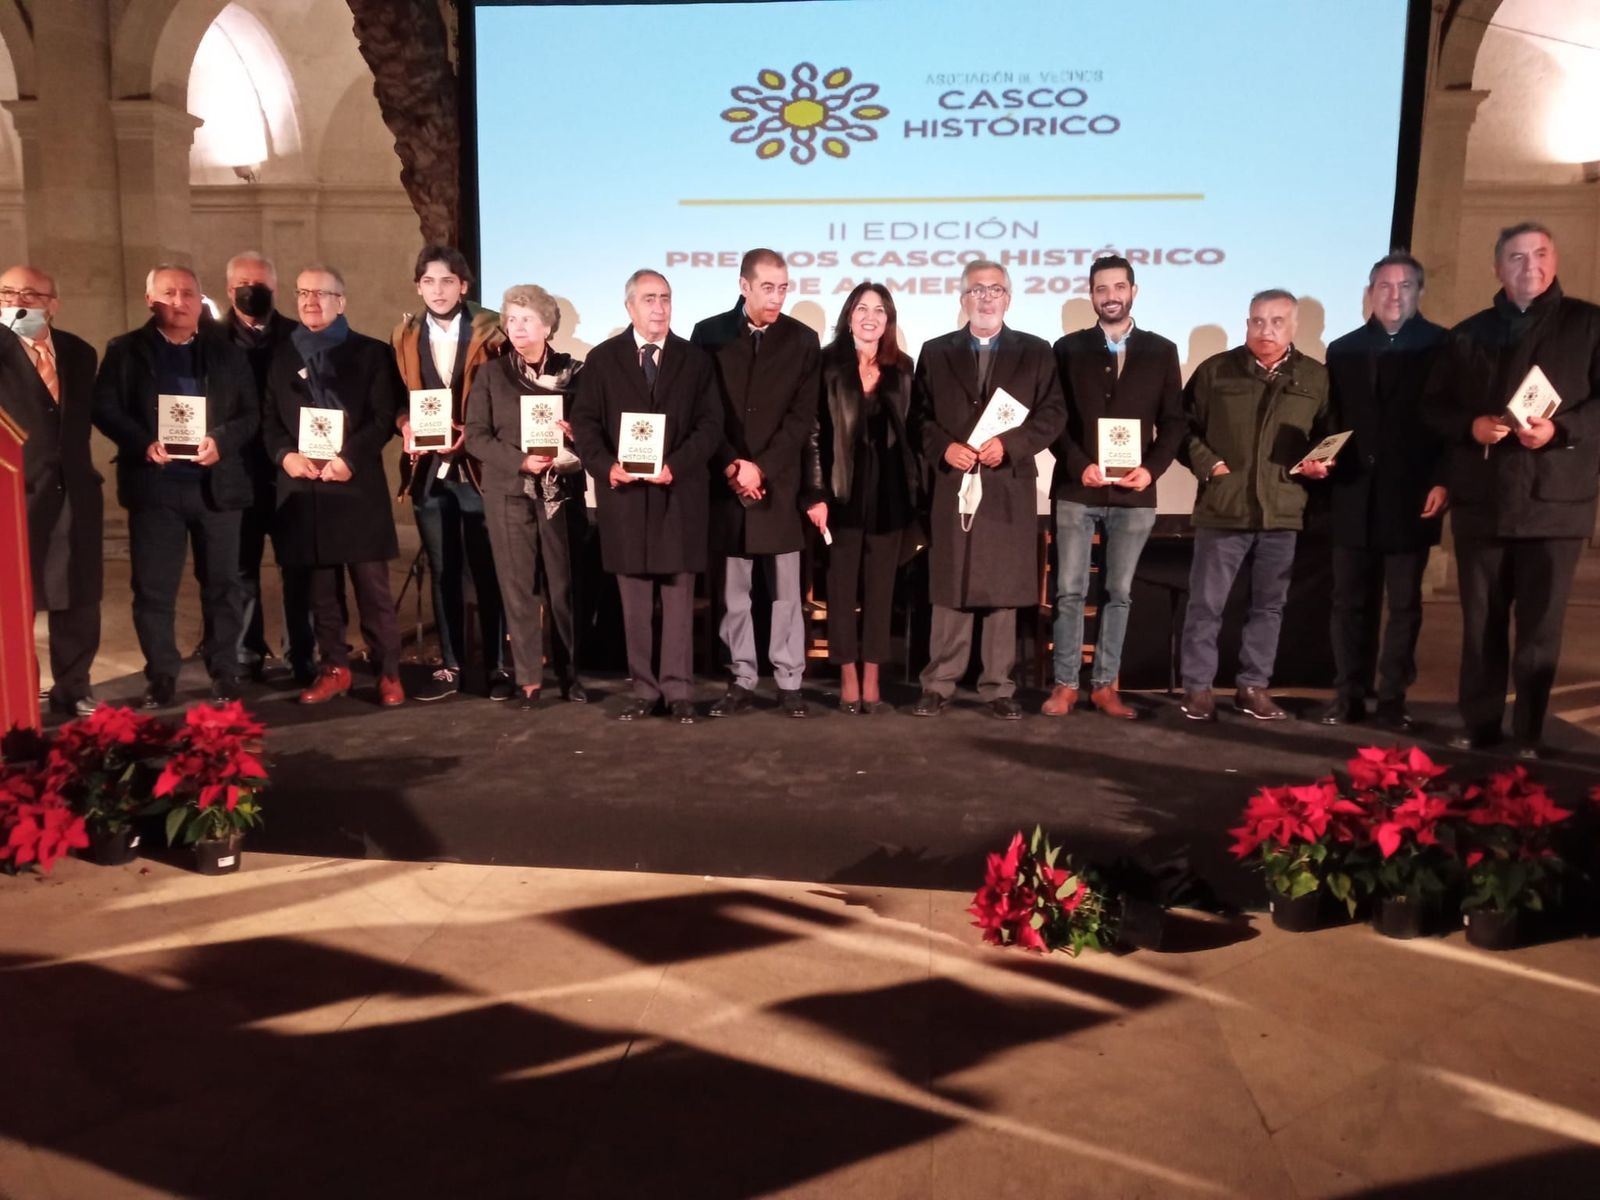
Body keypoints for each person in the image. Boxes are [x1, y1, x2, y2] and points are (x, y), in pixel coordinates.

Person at [1423, 222, 1600, 759]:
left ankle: (1529, 733)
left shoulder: (1589, 325)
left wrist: (1560, 430)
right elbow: (1435, 407)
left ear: (1556, 260)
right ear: (1497, 268)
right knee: (1481, 623)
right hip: (1484, 501)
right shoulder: (1467, 333)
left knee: (1540, 628)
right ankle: (1479, 723)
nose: (1531, 266)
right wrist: (1470, 427)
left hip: (1557, 503)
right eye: (1517, 258)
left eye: (1540, 254)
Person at [92, 265, 258, 708]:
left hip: (217, 487)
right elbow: (104, 407)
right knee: (153, 589)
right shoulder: (125, 350)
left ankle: (224, 671)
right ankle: (162, 675)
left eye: (188, 293)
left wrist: (221, 440)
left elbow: (250, 414)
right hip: (156, 487)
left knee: (224, 585)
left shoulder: (228, 352)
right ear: (150, 299)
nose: (179, 302)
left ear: (200, 300)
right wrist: (141, 442)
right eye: (168, 293)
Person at [908, 259, 1066, 718]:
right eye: (977, 289)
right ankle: (939, 683)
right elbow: (918, 416)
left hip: (1006, 483)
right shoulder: (935, 351)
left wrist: (1011, 445)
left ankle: (998, 687)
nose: (986, 297)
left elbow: (1053, 414)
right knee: (951, 583)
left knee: (1003, 587)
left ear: (1008, 299)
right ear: (963, 299)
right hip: (954, 480)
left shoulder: (1035, 351)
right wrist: (944, 448)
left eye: (995, 289)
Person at [570, 269, 722, 724]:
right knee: (634, 604)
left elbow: (710, 425)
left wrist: (676, 465)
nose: (659, 307)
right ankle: (643, 689)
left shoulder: (695, 360)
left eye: (665, 298)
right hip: (626, 498)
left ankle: (678, 691)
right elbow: (585, 423)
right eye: (650, 299)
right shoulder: (602, 359)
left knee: (677, 600)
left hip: (678, 494)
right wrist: (605, 467)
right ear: (630, 307)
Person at [1177, 289, 1332, 722]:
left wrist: (1322, 463)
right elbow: (1181, 429)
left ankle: (1252, 687)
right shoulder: (1215, 371)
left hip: (1282, 509)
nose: (1267, 330)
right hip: (1224, 507)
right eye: (1258, 321)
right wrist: (1209, 465)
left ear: (1295, 326)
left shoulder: (1316, 377)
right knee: (1206, 604)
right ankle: (1198, 688)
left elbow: (1329, 435)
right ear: (1246, 324)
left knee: (1269, 607)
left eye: (1277, 321)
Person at [1045, 254, 1184, 720]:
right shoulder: (1066, 349)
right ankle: (1065, 684)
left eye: (1119, 287)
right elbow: (1054, 419)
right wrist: (1078, 463)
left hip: (1135, 493)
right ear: (1091, 294)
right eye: (1101, 289)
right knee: (1069, 591)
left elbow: (1174, 421)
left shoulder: (1161, 350)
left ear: (1133, 291)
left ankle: (1104, 686)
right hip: (1077, 489)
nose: (1110, 296)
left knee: (1118, 592)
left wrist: (1153, 469)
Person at [262, 265, 407, 707]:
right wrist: (286, 456)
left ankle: (388, 672)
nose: (311, 301)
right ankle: (335, 669)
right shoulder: (281, 355)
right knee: (321, 593)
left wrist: (349, 460)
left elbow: (383, 417)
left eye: (321, 293)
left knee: (373, 592)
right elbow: (268, 419)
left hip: (355, 486)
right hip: (306, 489)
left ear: (340, 301)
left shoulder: (371, 353)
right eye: (303, 292)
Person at [690, 249, 824, 718]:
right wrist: (733, 466)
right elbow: (703, 410)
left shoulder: (803, 340)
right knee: (734, 595)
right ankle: (741, 678)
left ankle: (789, 682)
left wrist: (760, 468)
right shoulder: (709, 335)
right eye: (768, 288)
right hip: (727, 484)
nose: (777, 297)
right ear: (744, 286)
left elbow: (802, 418)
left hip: (777, 485)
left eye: (784, 288)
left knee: (787, 595)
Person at [1322, 252, 1447, 730]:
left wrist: (1444, 479)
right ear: (1370, 293)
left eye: (1405, 286)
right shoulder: (1343, 349)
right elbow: (1333, 420)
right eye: (1385, 286)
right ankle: (1347, 696)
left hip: (1413, 496)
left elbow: (1451, 421)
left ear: (1419, 292)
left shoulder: (1442, 345)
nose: (1394, 295)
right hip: (1353, 494)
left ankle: (1393, 699)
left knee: (1405, 606)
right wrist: (1322, 460)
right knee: (1347, 604)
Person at [392, 245, 510, 702]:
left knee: (487, 567)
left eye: (447, 281)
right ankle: (451, 663)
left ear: (463, 285)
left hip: (477, 468)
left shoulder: (494, 330)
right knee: (443, 569)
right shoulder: (404, 334)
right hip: (428, 470)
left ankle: (496, 665)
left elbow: (508, 395)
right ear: (418, 286)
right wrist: (405, 424)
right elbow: (396, 397)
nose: (437, 290)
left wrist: (473, 435)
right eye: (428, 282)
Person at [464, 284, 587, 709]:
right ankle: (529, 679)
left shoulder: (576, 373)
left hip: (561, 493)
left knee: (563, 589)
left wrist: (576, 434)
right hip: (509, 492)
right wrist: (519, 461)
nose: (517, 327)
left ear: (548, 326)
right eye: (511, 319)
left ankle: (571, 675)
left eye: (527, 320)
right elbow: (476, 437)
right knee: (518, 588)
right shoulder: (491, 374)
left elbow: (596, 430)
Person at [0, 265, 103, 716]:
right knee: (14, 600)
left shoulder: (79, 353)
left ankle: (73, 686)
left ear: (53, 304)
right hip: (14, 494)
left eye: (31, 295)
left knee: (78, 595)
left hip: (74, 491)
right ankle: (17, 692)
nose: (17, 302)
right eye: (7, 293)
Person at [816, 282, 921, 713]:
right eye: (862, 308)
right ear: (848, 315)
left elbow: (914, 433)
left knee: (881, 591)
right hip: (841, 493)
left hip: (891, 495)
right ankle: (847, 675)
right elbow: (814, 433)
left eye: (880, 310)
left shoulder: (904, 368)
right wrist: (815, 493)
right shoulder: (825, 364)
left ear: (888, 320)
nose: (870, 317)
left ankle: (874, 676)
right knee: (841, 589)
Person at [214, 250, 318, 684]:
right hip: (233, 469)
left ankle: (302, 653)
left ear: (275, 289)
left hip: (290, 469)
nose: (251, 291)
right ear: (229, 290)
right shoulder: (209, 340)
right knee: (240, 568)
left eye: (260, 285)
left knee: (298, 565)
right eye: (243, 284)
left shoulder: (300, 337)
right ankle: (246, 651)